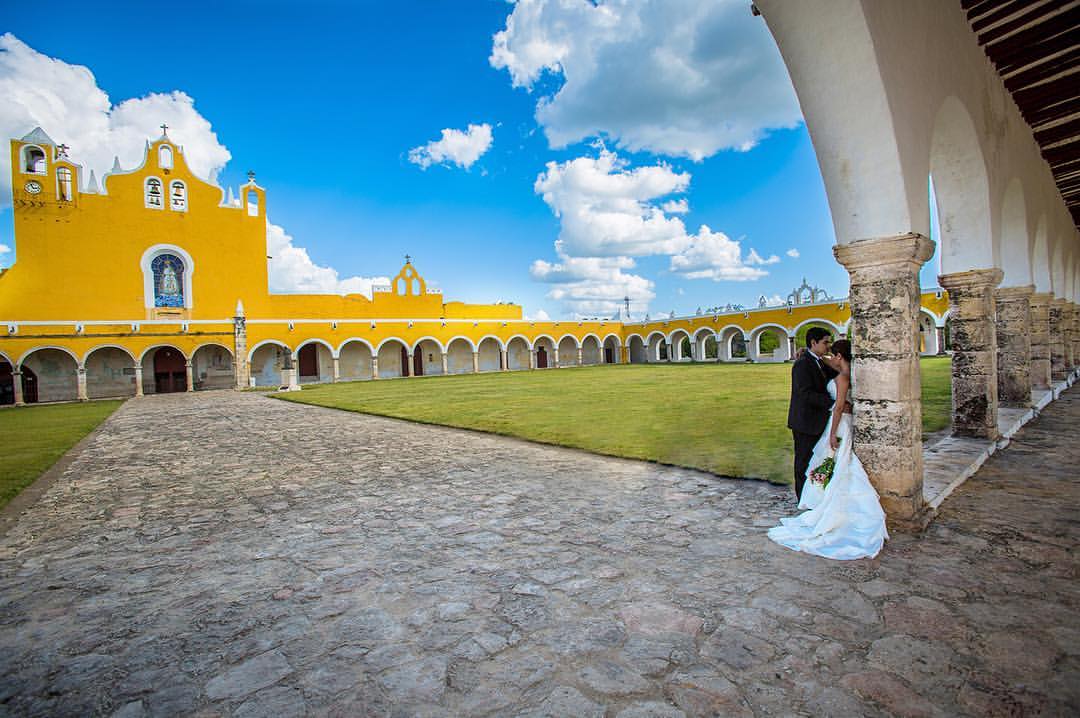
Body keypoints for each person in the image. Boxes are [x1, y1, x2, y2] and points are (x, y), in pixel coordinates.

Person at [768, 340, 889, 560]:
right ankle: (820, 500)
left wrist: (832, 432)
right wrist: (808, 352)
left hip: (840, 423)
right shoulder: (849, 371)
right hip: (844, 421)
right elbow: (824, 361)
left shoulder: (842, 377)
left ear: (839, 357)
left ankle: (826, 505)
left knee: (835, 460)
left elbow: (840, 406)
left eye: (833, 354)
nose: (829, 357)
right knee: (838, 462)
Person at [786, 327, 836, 503]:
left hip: (817, 421)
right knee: (803, 463)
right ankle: (802, 499)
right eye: (825, 342)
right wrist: (834, 404)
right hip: (805, 422)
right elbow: (805, 393)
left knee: (814, 462)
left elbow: (838, 373)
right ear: (813, 343)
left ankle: (813, 497)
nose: (828, 346)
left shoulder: (819, 361)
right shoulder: (803, 364)